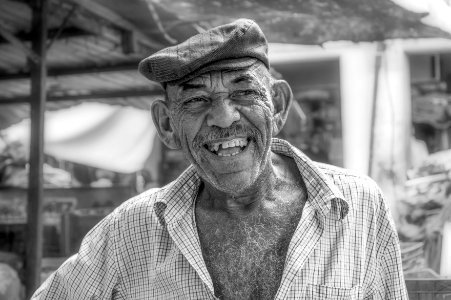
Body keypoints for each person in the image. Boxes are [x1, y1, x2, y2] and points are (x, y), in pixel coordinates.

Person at [32, 19, 408, 299]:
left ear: (277, 106)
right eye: (196, 100)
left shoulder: (357, 205)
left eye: (244, 92)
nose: (224, 117)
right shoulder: (132, 229)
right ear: (167, 125)